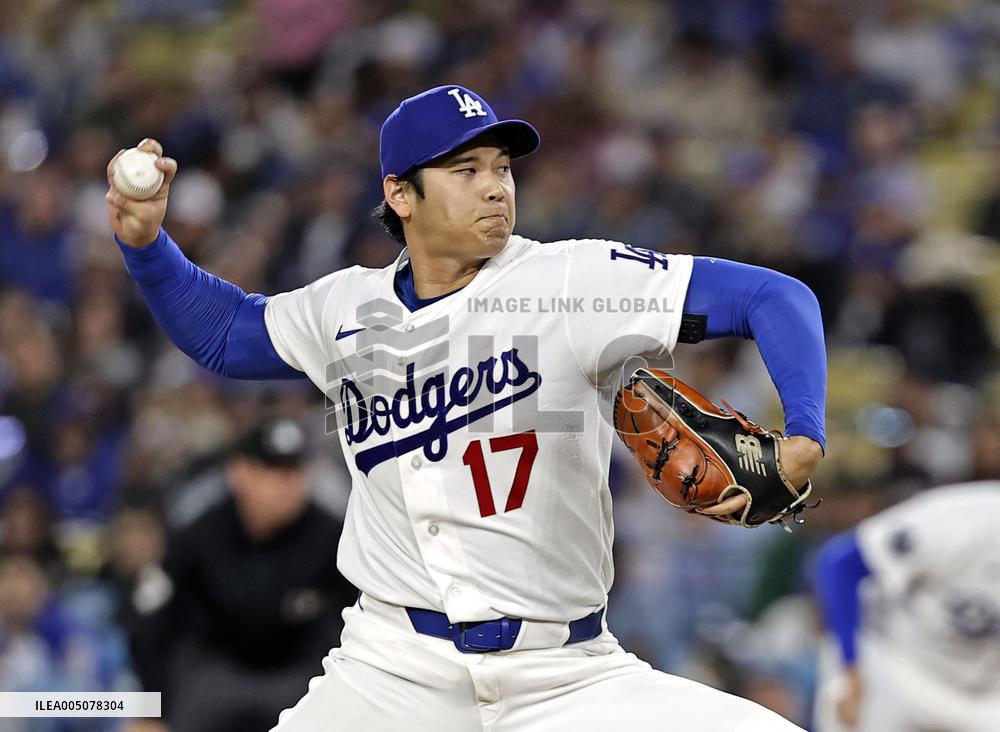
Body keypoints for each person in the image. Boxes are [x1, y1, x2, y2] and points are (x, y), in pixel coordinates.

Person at [105, 85, 826, 731]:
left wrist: (805, 433)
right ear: (400, 194)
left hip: (565, 675)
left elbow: (776, 297)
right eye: (466, 170)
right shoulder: (345, 306)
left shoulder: (572, 279)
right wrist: (147, 247)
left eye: (502, 168)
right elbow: (227, 334)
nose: (495, 189)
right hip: (391, 671)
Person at [123, 418, 356, 732]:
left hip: (301, 675)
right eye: (271, 471)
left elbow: (359, 621)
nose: (285, 485)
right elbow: (151, 619)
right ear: (239, 474)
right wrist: (152, 708)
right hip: (217, 673)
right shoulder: (199, 534)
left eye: (294, 472)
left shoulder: (332, 538)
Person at [813, 482, 1000, 732]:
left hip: (980, 685)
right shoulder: (961, 519)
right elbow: (841, 565)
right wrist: (851, 666)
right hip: (894, 661)